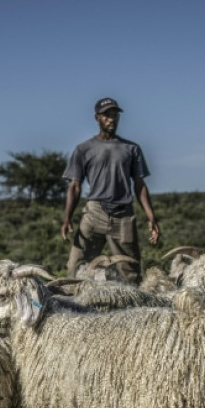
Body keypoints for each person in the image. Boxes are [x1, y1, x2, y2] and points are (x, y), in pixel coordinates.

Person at [61, 97, 161, 285]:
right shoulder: (83, 149)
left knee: (130, 272)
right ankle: (73, 308)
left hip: (123, 216)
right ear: (97, 118)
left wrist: (151, 216)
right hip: (94, 212)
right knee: (75, 267)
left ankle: (133, 312)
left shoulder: (131, 149)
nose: (111, 119)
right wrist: (67, 218)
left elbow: (139, 185)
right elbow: (75, 186)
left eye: (114, 115)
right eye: (106, 115)